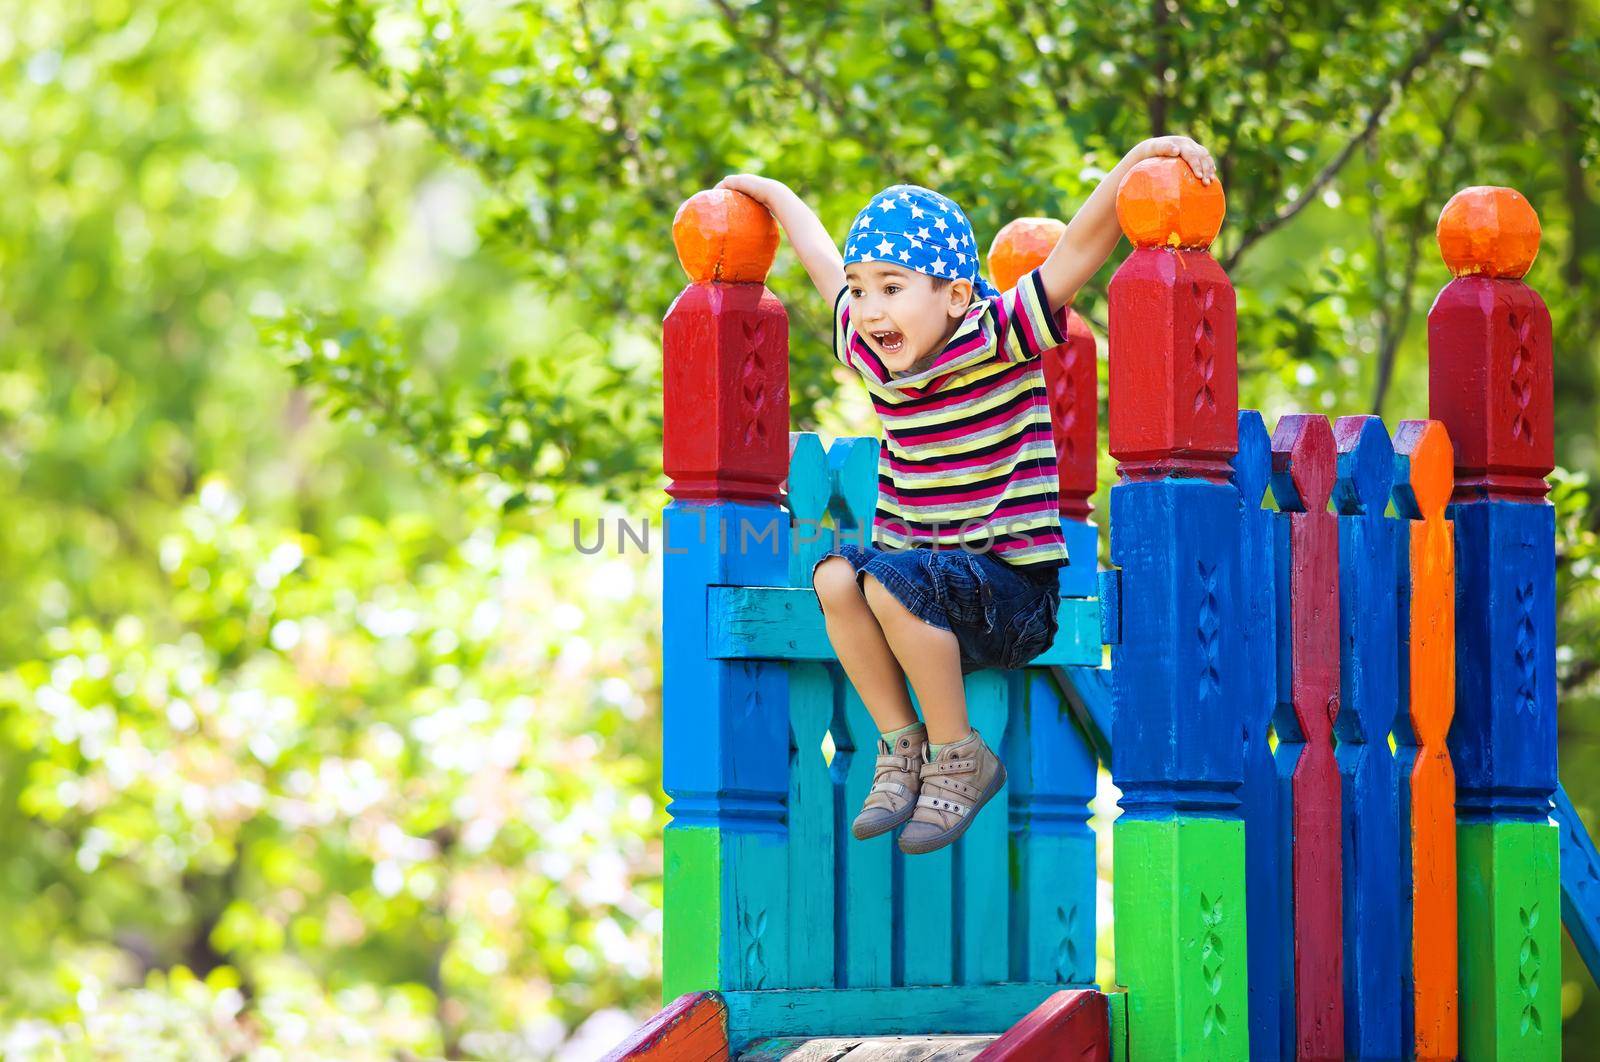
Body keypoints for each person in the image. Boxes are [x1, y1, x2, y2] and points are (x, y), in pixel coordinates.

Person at [716, 135, 1216, 856]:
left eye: (892, 287)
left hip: (1011, 594)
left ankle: (961, 754)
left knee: (887, 582)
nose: (867, 305)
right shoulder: (869, 352)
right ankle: (902, 746)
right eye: (861, 289)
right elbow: (823, 263)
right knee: (832, 577)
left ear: (954, 296)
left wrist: (1139, 158)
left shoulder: (997, 333)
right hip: (926, 600)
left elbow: (1077, 250)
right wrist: (776, 195)